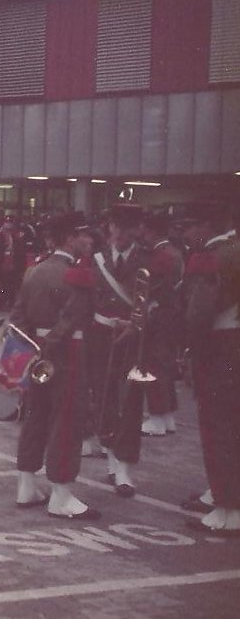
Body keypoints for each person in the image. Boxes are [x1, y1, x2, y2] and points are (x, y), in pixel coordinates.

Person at [11, 212, 100, 519]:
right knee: (66, 419)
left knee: (37, 415)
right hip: (67, 351)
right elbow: (74, 316)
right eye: (83, 234)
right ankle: (61, 494)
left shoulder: (34, 271)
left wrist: (35, 349)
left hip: (36, 351)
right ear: (69, 238)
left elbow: (18, 317)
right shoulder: (77, 273)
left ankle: (26, 485)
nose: (88, 241)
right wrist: (51, 346)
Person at [179, 202, 240, 535]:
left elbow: (199, 315)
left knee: (218, 428)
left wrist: (190, 352)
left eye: (190, 226)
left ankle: (227, 510)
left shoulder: (210, 257)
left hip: (219, 349)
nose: (187, 234)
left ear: (206, 226)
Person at [88, 203, 150, 497]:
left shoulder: (149, 259)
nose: (121, 234)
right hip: (101, 336)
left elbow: (160, 303)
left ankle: (124, 467)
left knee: (131, 398)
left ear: (138, 230)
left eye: (128, 228)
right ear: (109, 227)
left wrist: (136, 324)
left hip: (134, 338)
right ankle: (111, 455)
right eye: (117, 226)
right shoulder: (95, 259)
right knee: (103, 396)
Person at [139, 211, 184, 437]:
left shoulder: (160, 255)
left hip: (159, 314)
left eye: (145, 231)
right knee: (165, 365)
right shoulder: (175, 252)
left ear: (152, 231)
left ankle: (157, 417)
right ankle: (167, 417)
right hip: (172, 314)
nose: (142, 235)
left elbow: (152, 288)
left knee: (153, 365)